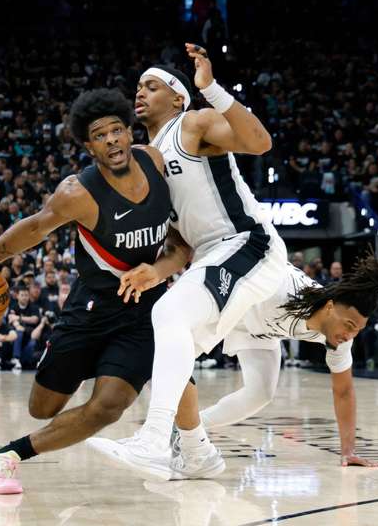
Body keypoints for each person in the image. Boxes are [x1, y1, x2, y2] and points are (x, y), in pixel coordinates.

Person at [0, 88, 175, 495]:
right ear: (89, 146)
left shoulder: (155, 162)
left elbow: (179, 240)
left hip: (143, 310)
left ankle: (7, 455)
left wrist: (159, 270)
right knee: (41, 408)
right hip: (90, 307)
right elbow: (32, 229)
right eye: (100, 135)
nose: (111, 140)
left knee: (109, 407)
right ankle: (84, 363)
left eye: (116, 130)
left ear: (129, 132)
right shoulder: (77, 192)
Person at [105, 44, 286, 481]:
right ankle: (197, 451)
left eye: (151, 86)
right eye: (138, 87)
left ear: (177, 97)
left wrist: (213, 89)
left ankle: (153, 440)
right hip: (210, 256)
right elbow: (180, 247)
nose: (140, 93)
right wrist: (155, 271)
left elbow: (260, 143)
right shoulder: (147, 161)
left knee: (167, 314)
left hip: (248, 243)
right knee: (167, 349)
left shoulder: (192, 123)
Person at [90, 256, 378, 471]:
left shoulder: (340, 338)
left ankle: (182, 431)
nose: (349, 335)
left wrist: (348, 450)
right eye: (349, 325)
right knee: (173, 353)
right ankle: (152, 438)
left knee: (261, 393)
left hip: (263, 332)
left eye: (357, 330)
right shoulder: (280, 287)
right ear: (330, 307)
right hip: (234, 306)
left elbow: (343, 391)